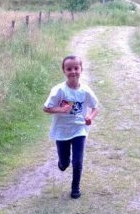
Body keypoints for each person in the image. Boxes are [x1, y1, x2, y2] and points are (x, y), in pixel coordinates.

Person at [42, 55, 99, 199]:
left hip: (79, 129)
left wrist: (90, 118)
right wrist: (60, 110)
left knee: (77, 161)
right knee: (65, 163)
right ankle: (62, 163)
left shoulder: (85, 91)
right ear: (64, 71)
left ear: (81, 69)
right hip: (62, 131)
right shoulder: (59, 90)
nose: (73, 71)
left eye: (76, 68)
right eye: (69, 69)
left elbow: (95, 107)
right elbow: (46, 108)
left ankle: (75, 188)